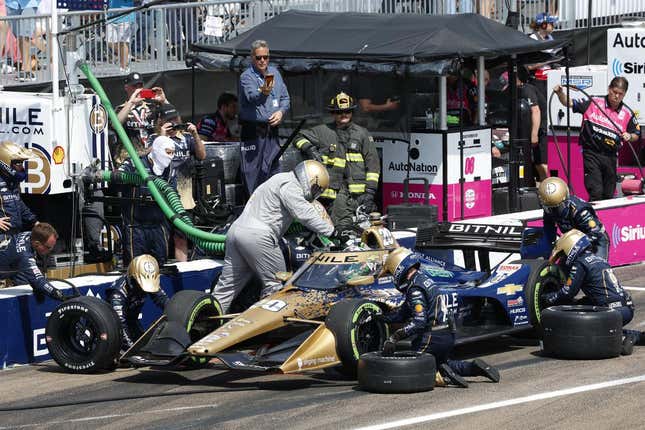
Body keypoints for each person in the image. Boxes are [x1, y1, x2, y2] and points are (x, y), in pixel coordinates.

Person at [211, 160, 334, 313]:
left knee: (226, 289)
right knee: (277, 285)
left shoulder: (279, 178)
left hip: (236, 232)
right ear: (309, 179)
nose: (315, 193)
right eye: (316, 188)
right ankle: (264, 329)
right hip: (257, 235)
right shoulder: (291, 185)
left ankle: (208, 320)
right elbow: (305, 214)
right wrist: (332, 232)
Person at [380, 247, 500, 388]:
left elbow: (419, 321)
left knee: (411, 365)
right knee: (443, 362)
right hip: (448, 334)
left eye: (390, 272)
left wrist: (394, 337)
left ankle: (442, 377)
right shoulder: (424, 279)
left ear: (397, 268)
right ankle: (473, 368)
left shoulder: (414, 288)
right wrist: (382, 318)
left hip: (432, 336)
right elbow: (403, 313)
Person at [293, 92, 380, 233]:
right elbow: (298, 137)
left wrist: (370, 192)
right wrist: (309, 149)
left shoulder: (362, 134)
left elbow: (373, 165)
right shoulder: (322, 131)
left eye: (347, 111)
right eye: (339, 112)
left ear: (351, 112)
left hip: (357, 195)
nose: (343, 114)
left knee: (351, 228)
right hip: (329, 195)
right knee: (337, 228)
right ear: (333, 113)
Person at [544, 229, 640, 352]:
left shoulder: (580, 263)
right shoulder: (598, 258)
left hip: (613, 311)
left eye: (563, 254)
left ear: (571, 247)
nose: (563, 258)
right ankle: (631, 334)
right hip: (625, 306)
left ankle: (629, 335)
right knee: (576, 305)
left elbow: (567, 292)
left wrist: (548, 298)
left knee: (579, 323)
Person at [553, 77, 640, 201]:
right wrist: (560, 93)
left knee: (608, 195)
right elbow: (569, 103)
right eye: (614, 92)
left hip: (611, 156)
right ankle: (593, 219)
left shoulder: (627, 113)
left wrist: (629, 136)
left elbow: (636, 134)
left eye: (620, 94)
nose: (616, 96)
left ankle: (607, 219)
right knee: (596, 192)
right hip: (591, 153)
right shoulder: (593, 102)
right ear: (609, 89)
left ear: (625, 94)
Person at [150, 103, 205, 262]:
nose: (174, 123)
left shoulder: (186, 138)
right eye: (170, 120)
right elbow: (148, 160)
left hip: (184, 196)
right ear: (161, 121)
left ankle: (184, 268)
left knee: (181, 236)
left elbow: (202, 156)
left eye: (176, 119)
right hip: (162, 195)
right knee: (162, 235)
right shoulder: (155, 139)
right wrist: (162, 136)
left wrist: (195, 135)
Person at [238, 39, 290, 195]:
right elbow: (253, 98)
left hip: (272, 130)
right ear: (252, 58)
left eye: (265, 57)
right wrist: (264, 91)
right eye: (258, 57)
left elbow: (285, 99)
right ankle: (254, 209)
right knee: (253, 173)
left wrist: (281, 112)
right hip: (254, 131)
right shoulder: (246, 77)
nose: (262, 61)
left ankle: (273, 205)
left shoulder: (275, 73)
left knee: (274, 169)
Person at [117, 135, 175, 266]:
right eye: (168, 152)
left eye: (173, 153)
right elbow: (117, 176)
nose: (170, 156)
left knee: (160, 267)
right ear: (158, 149)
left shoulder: (170, 169)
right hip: (136, 228)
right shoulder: (134, 163)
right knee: (135, 268)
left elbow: (174, 194)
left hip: (159, 227)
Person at [106, 254, 169, 353]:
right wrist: (132, 350)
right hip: (113, 330)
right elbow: (120, 323)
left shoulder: (149, 281)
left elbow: (164, 301)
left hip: (132, 322)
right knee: (131, 353)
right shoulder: (118, 292)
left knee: (148, 346)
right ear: (133, 277)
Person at [537, 177, 609, 261]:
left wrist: (572, 244)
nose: (554, 211)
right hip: (572, 242)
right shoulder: (549, 209)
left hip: (595, 241)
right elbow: (549, 229)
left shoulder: (580, 210)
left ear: (566, 201)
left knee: (595, 267)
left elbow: (595, 232)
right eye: (549, 208)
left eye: (558, 208)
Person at [0, 223, 66, 301]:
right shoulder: (24, 255)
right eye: (48, 247)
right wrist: (58, 294)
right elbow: (38, 281)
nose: (50, 250)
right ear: (37, 244)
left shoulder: (31, 235)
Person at [114, 72, 169, 166]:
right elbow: (115, 125)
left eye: (140, 85)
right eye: (134, 86)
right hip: (128, 159)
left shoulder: (153, 107)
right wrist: (131, 102)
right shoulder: (121, 109)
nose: (138, 89)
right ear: (126, 88)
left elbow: (173, 120)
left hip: (152, 158)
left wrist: (164, 101)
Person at [0, 141, 37, 239]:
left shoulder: (12, 181)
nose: (21, 167)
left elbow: (18, 203)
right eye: (18, 162)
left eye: (22, 162)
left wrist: (34, 222)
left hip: (14, 234)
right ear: (6, 162)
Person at [5, 0, 39, 81]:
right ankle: (26, 69)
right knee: (18, 36)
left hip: (29, 3)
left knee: (25, 35)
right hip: (11, 4)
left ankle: (25, 69)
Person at [528, 13, 559, 98]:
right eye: (551, 24)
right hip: (538, 80)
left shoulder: (550, 38)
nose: (553, 26)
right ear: (544, 25)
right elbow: (530, 66)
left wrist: (554, 63)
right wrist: (549, 60)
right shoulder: (533, 39)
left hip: (549, 78)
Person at [107, 0, 135, 74]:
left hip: (125, 16)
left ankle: (123, 67)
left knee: (123, 42)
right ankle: (126, 56)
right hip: (111, 16)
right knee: (109, 42)